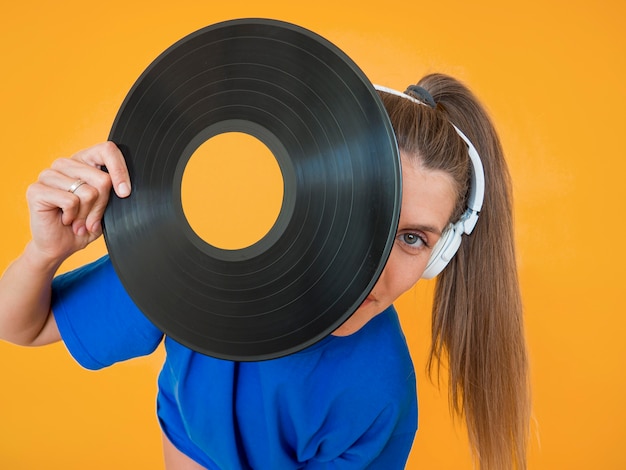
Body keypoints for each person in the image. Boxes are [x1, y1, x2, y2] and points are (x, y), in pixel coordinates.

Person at [0, 73, 530, 469]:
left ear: (438, 258)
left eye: (414, 239)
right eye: (364, 215)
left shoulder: (376, 400)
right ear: (311, 201)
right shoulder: (198, 267)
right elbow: (21, 325)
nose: (373, 266)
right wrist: (45, 252)